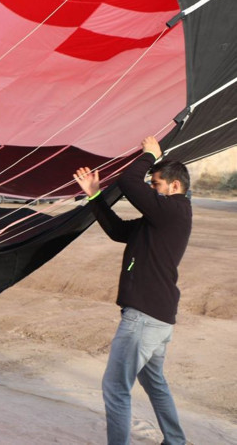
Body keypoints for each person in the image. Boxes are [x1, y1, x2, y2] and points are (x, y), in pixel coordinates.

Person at [73, 136, 190, 445]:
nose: (151, 188)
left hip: (144, 317)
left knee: (115, 388)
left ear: (174, 187)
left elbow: (128, 180)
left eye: (156, 184)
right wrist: (95, 196)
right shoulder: (161, 220)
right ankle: (176, 441)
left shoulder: (173, 211)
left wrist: (149, 154)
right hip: (158, 318)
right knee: (155, 384)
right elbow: (117, 231)